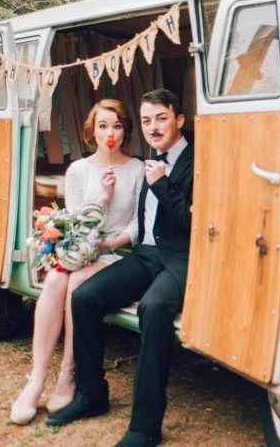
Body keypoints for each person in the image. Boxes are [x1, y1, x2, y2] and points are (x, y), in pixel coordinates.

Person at [45, 89, 193, 447]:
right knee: (84, 297)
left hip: (181, 259)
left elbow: (195, 222)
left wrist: (162, 184)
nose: (153, 126)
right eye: (146, 120)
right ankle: (91, 394)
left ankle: (144, 426)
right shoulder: (147, 161)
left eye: (161, 118)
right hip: (146, 255)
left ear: (179, 120)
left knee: (154, 309)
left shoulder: (198, 161)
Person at [10, 99, 144, 425]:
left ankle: (67, 375)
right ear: (92, 131)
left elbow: (138, 225)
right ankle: (37, 380)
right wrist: (103, 198)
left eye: (116, 126)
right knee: (56, 279)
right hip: (81, 249)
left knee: (78, 283)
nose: (109, 133)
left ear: (125, 131)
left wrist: (111, 242)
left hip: (115, 254)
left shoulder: (138, 168)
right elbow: (73, 223)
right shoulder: (79, 170)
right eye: (102, 126)